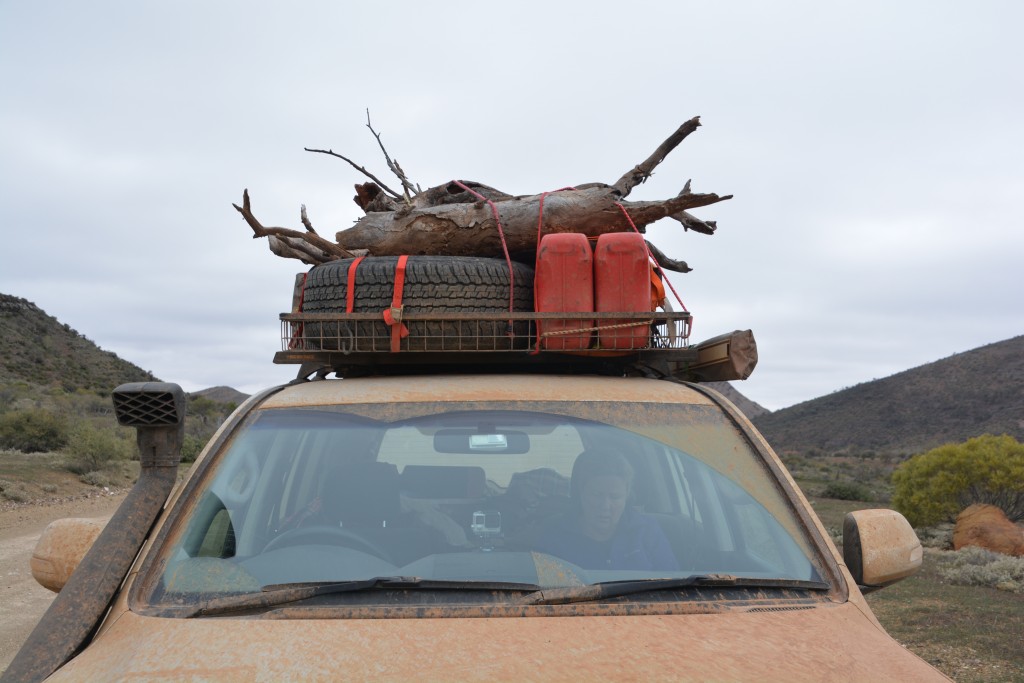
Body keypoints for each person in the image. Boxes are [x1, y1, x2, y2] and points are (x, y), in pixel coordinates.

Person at [533, 450, 679, 571]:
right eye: (597, 495)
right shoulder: (553, 536)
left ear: (627, 496)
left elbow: (674, 588)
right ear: (581, 492)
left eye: (615, 497)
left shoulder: (648, 531)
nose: (605, 505)